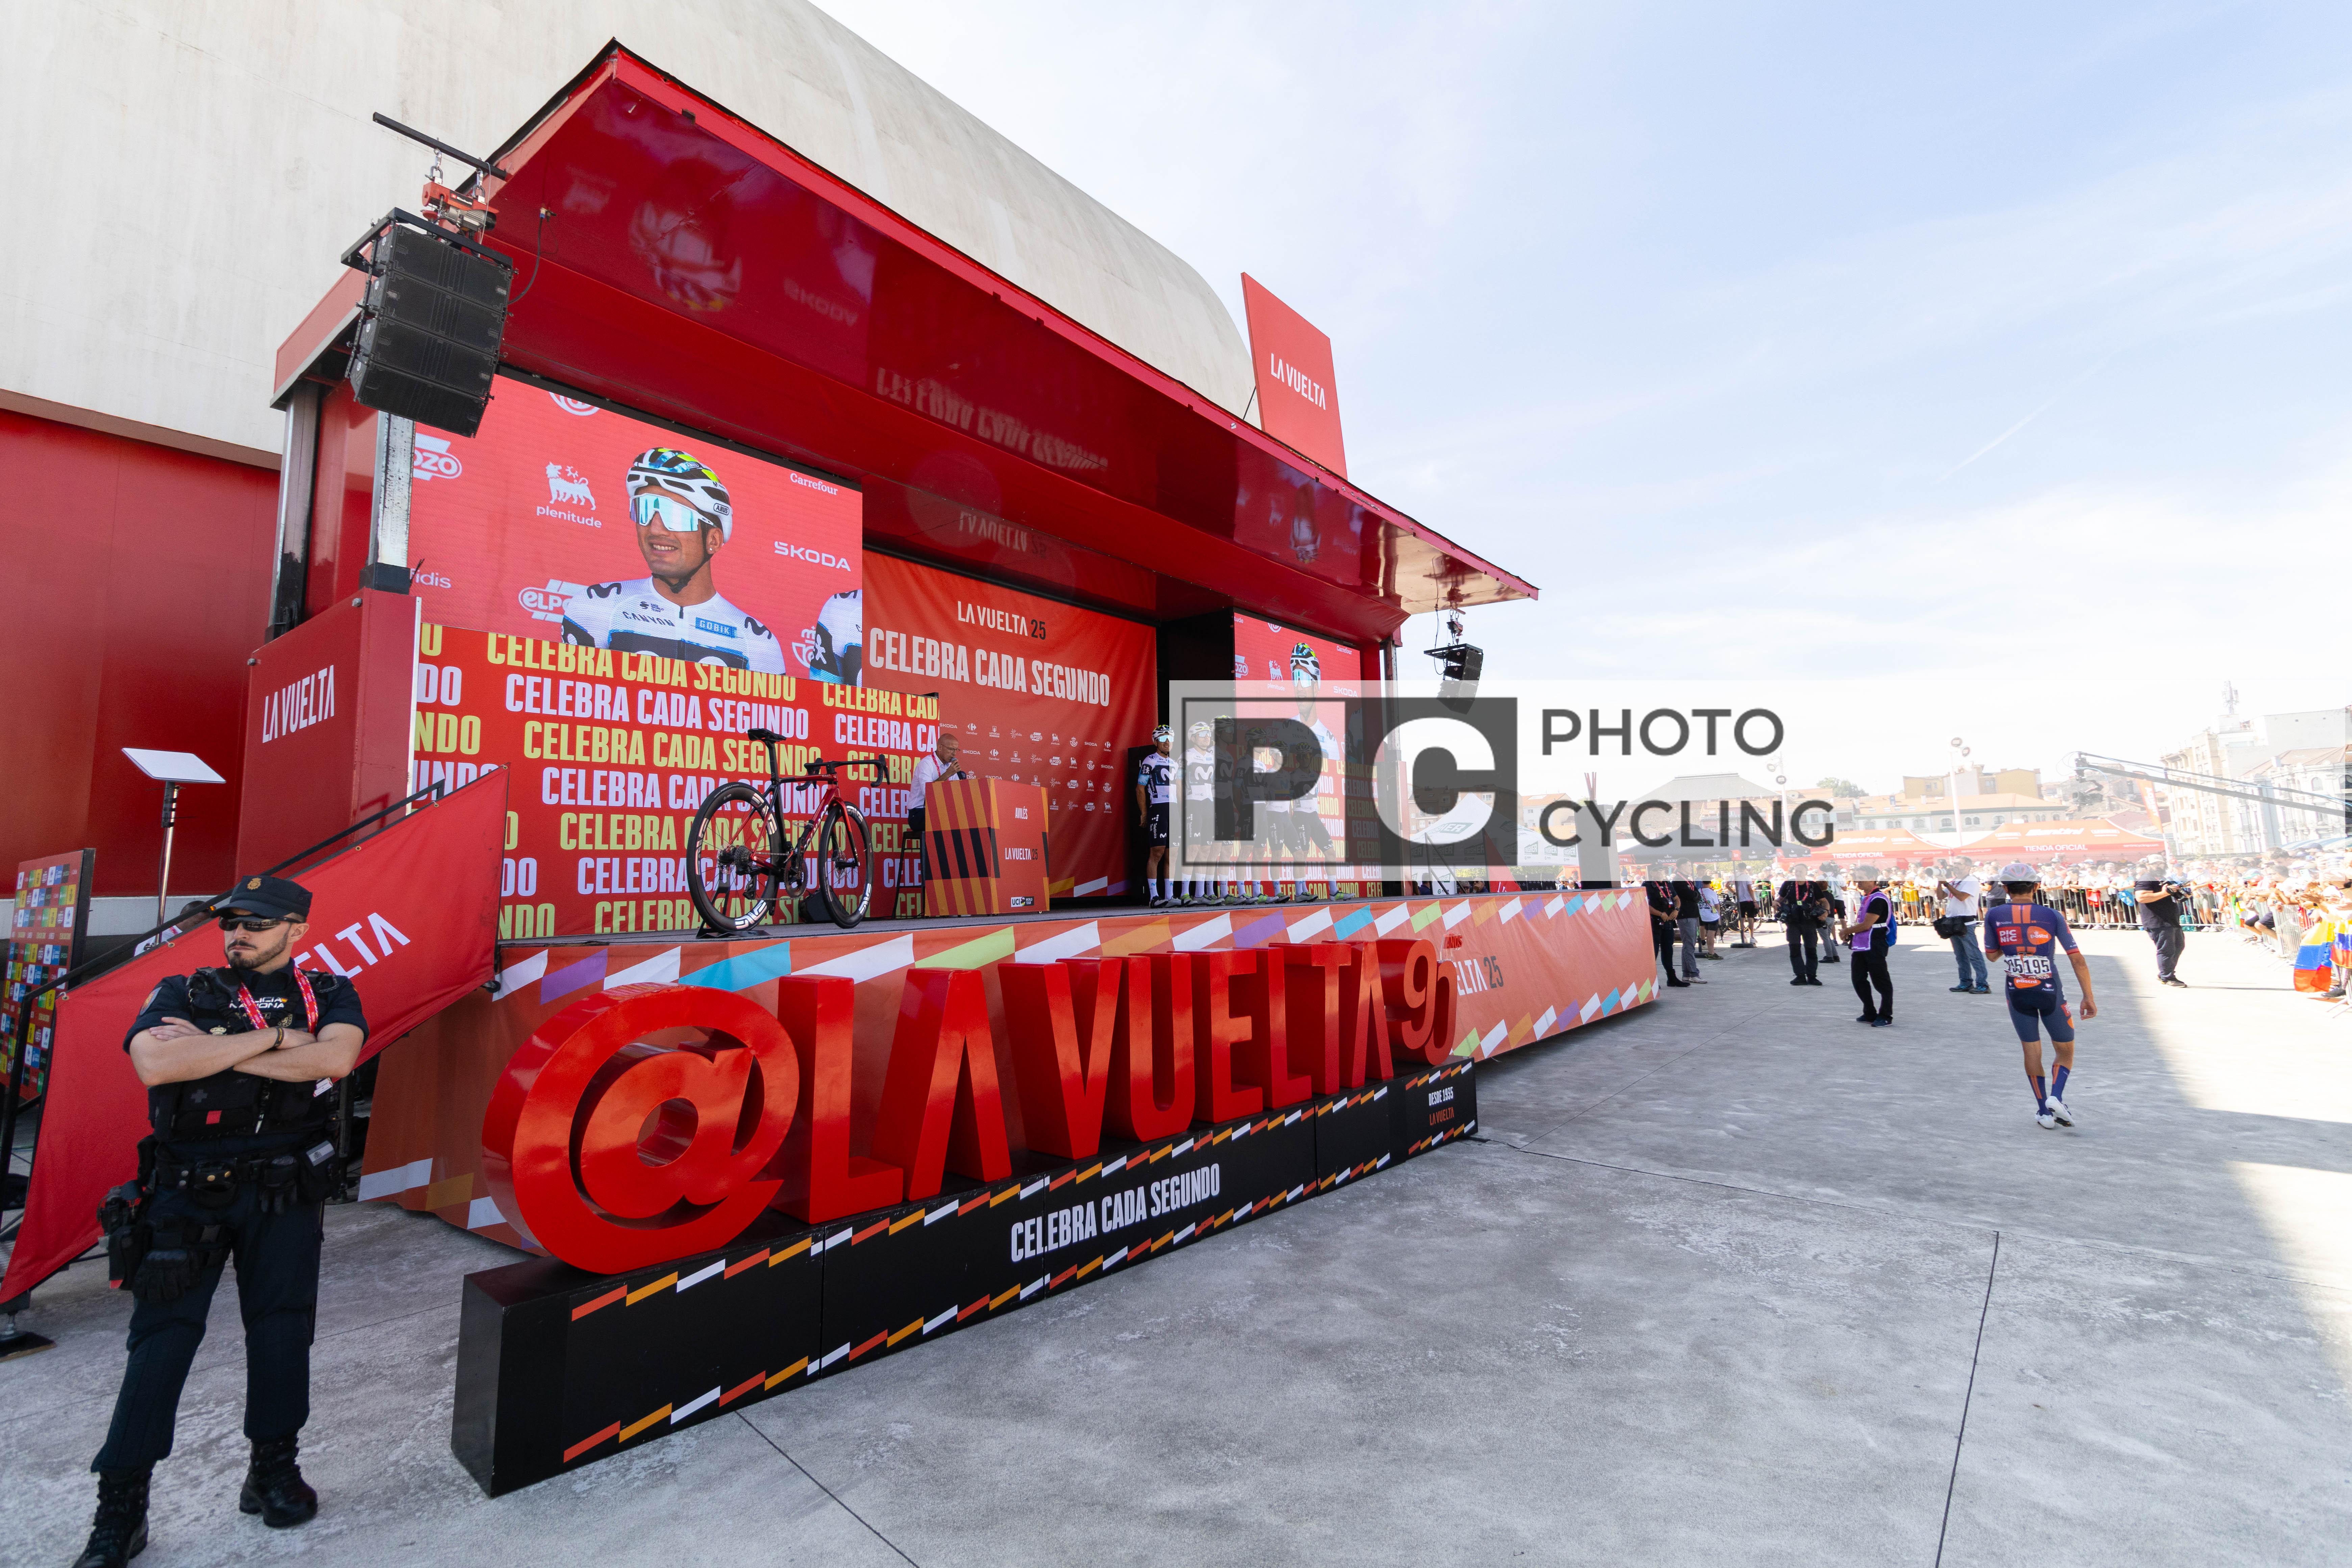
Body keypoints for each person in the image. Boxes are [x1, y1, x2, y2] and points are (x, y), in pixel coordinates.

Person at [77, 875, 367, 1568]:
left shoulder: (330, 992)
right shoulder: (181, 991)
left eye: (257, 924)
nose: (239, 934)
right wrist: (278, 1040)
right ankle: (121, 1507)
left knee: (283, 1330)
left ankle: (273, 1471)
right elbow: (156, 1063)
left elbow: (335, 1057)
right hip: (186, 1195)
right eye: (231, 923)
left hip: (285, 1190)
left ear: (297, 929)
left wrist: (217, 1045)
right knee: (161, 1344)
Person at [560, 447, 787, 672]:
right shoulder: (596, 607)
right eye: (644, 510)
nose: (655, 529)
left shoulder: (756, 642)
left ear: (713, 540)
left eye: (675, 515)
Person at [1983, 861, 2098, 1129]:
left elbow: (1991, 956)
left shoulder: (1994, 915)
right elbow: (2077, 960)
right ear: (2036, 887)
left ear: (2005, 888)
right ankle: (2056, 1097)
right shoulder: (2052, 915)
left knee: (2032, 1050)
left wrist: (2013, 946)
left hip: (2016, 991)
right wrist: (2088, 997)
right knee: (2065, 1050)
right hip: (2050, 991)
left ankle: (2044, 1112)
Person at [907, 729, 966, 909]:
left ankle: (957, 890)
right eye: (951, 749)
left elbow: (957, 795)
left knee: (964, 825)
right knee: (950, 825)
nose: (954, 754)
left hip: (941, 814)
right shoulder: (926, 765)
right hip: (919, 814)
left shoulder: (952, 767)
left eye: (957, 750)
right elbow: (930, 795)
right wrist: (948, 774)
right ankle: (938, 893)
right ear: (940, 748)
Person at [1844, 864, 1896, 1026]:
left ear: (1873, 879)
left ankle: (1886, 1015)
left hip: (1876, 944)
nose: (1858, 881)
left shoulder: (1878, 899)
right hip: (1862, 945)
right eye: (1857, 878)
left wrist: (1846, 931)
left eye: (1862, 878)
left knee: (1881, 981)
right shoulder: (1867, 897)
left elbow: (1867, 924)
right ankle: (1869, 1012)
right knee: (1858, 979)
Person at [1135, 726, 1176, 907]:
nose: (1167, 742)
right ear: (1155, 742)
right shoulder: (1150, 761)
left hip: (1174, 809)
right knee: (1157, 852)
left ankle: (1170, 896)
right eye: (1163, 739)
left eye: (1170, 739)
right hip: (1159, 808)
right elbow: (1140, 788)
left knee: (1172, 855)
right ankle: (1154, 897)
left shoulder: (1175, 763)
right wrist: (1144, 813)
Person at [2133, 857, 2189, 987]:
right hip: (2157, 920)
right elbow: (2141, 897)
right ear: (2148, 865)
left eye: (2161, 864)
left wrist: (2179, 893)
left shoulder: (2161, 878)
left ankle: (2165, 972)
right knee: (2166, 950)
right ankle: (2167, 977)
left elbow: (2169, 894)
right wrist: (2165, 893)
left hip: (2171, 920)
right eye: (2155, 864)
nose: (2159, 866)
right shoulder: (2146, 879)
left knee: (2179, 946)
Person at [1937, 859, 1990, 995]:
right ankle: (1965, 982)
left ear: (1968, 867)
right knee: (1960, 956)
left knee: (1974, 955)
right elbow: (1940, 896)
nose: (1956, 866)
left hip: (1966, 923)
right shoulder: (1955, 881)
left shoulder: (1971, 881)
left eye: (1959, 864)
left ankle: (1983, 984)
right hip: (1953, 922)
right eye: (1955, 864)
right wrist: (1939, 883)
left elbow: (1962, 897)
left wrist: (1946, 884)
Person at [1778, 873, 1827, 985]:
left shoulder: (1813, 885)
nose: (1799, 873)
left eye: (1801, 871)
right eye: (1797, 871)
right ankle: (1800, 976)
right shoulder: (1788, 885)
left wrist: (1826, 912)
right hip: (1793, 922)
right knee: (1794, 949)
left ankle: (1812, 976)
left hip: (1809, 922)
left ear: (1805, 873)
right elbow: (1780, 899)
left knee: (1811, 950)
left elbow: (1824, 901)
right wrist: (1776, 902)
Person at [1645, 874, 1689, 988]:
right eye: (1658, 871)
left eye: (1662, 870)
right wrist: (1660, 914)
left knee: (1668, 950)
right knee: (1654, 952)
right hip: (1655, 922)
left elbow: (1677, 899)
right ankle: (1652, 981)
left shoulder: (1668, 884)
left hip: (1668, 921)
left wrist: (1677, 910)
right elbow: (1645, 904)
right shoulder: (1648, 885)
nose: (1661, 873)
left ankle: (1672, 978)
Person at [1668, 868, 1705, 983]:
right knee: (1689, 945)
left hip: (1692, 914)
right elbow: (1691, 895)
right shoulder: (1678, 881)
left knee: (1690, 944)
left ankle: (1687, 974)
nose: (1690, 868)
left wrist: (1695, 895)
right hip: (1686, 915)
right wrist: (1694, 895)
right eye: (1688, 865)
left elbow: (1697, 895)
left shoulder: (1687, 880)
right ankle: (1693, 973)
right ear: (1682, 866)